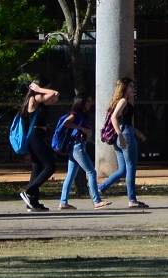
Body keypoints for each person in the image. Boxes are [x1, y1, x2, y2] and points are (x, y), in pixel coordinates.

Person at [94, 78, 149, 209]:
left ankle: (100, 188)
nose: (132, 88)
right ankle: (132, 199)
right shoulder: (123, 101)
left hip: (124, 134)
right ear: (124, 88)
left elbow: (124, 121)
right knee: (131, 167)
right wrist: (120, 134)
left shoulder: (120, 101)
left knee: (123, 169)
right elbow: (114, 117)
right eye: (130, 86)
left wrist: (137, 132)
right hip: (125, 135)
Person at [55, 94, 110, 210]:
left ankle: (63, 202)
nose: (91, 103)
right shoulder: (75, 114)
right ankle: (97, 201)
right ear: (82, 103)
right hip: (77, 146)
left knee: (71, 174)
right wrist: (82, 129)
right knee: (91, 172)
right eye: (89, 101)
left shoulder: (80, 115)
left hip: (76, 146)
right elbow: (66, 123)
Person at [18, 79, 61, 212]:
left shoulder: (39, 100)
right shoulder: (34, 98)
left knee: (37, 168)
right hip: (35, 136)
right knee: (50, 166)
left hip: (38, 136)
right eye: (47, 87)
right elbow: (55, 92)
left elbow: (55, 97)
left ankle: (32, 202)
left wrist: (40, 89)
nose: (49, 89)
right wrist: (39, 89)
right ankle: (29, 191)